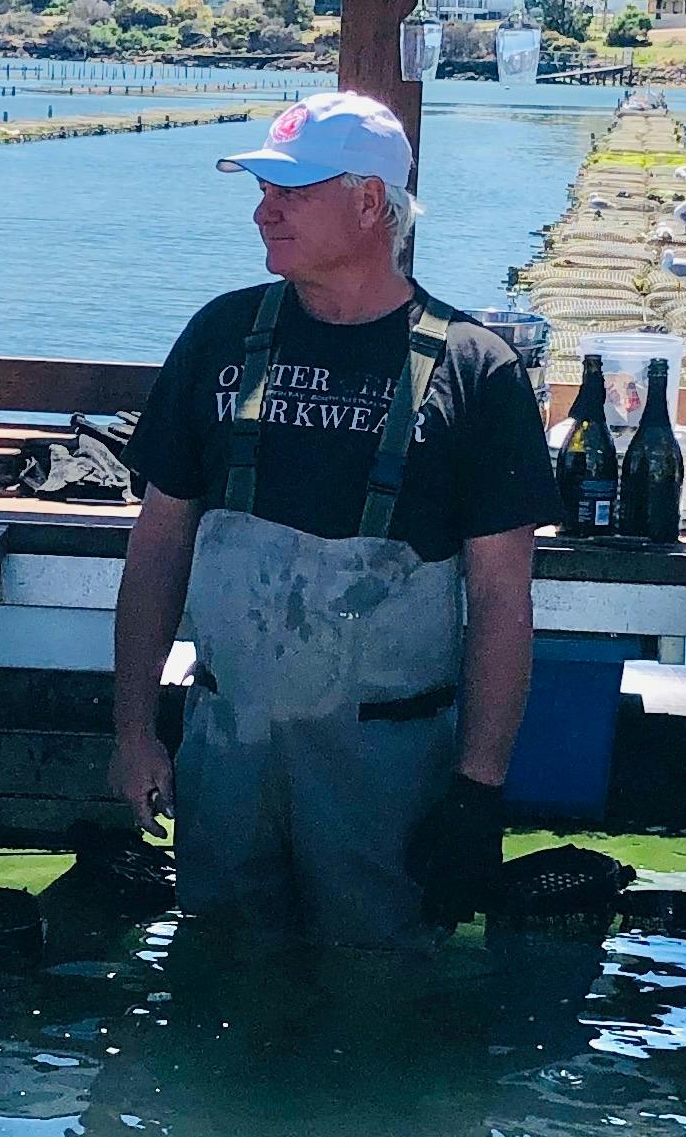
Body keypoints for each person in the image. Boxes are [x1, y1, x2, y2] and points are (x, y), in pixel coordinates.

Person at [109, 94, 553, 947]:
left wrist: (477, 788)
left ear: (369, 203)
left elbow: (501, 597)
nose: (262, 209)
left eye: (292, 190)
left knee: (376, 1001)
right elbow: (159, 543)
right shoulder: (220, 335)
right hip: (225, 748)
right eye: (262, 188)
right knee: (217, 985)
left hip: (388, 771)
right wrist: (133, 732)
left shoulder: (476, 370)